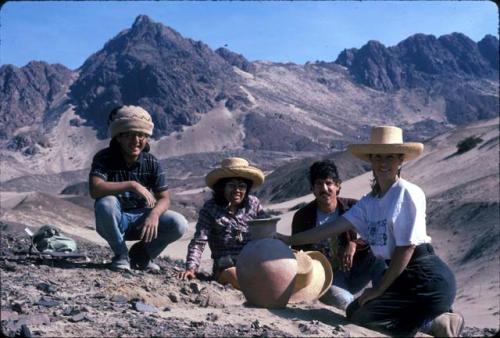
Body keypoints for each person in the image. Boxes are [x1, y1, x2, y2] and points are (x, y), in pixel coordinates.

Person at [277, 126, 463, 337]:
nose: (383, 163)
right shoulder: (370, 202)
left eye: (390, 157)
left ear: (400, 160)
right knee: (356, 311)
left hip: (425, 277)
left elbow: (406, 248)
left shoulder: (406, 192)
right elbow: (330, 229)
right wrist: (289, 239)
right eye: (378, 157)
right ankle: (434, 320)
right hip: (403, 276)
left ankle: (441, 322)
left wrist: (379, 289)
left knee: (364, 317)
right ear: (371, 161)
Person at [89, 105, 188, 272]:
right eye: (129, 135)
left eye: (141, 135)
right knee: (106, 203)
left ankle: (142, 255)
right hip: (114, 221)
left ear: (147, 138)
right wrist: (132, 185)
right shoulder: (104, 158)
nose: (136, 141)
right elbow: (95, 189)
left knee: (179, 224)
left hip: (142, 221)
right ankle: (121, 255)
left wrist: (154, 215)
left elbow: (164, 198)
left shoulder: (152, 162)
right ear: (118, 137)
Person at [291, 160, 386, 310]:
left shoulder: (353, 207)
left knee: (380, 257)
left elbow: (377, 235)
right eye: (319, 184)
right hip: (327, 279)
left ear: (338, 185)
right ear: (312, 188)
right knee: (344, 301)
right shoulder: (302, 217)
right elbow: (298, 254)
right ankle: (365, 313)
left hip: (355, 270)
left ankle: (387, 300)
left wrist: (354, 243)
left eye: (329, 183)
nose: (324, 189)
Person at [177, 157, 267, 288]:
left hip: (253, 262)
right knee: (234, 276)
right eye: (232, 185)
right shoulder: (210, 209)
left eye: (242, 186)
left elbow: (267, 229)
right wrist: (191, 269)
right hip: (225, 268)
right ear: (222, 187)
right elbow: (199, 242)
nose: (237, 190)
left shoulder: (254, 203)